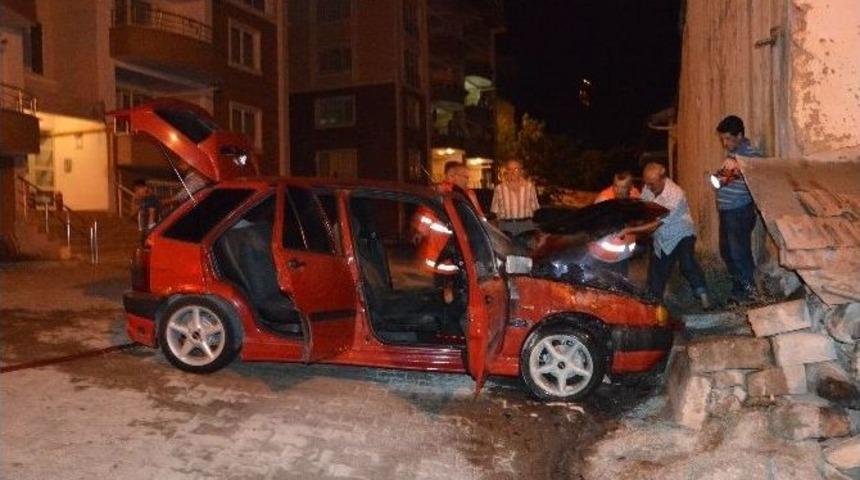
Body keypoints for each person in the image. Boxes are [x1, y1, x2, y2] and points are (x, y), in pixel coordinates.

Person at [634, 162, 711, 309]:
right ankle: (653, 308)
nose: (649, 187)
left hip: (682, 234)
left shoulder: (676, 194)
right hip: (662, 238)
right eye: (647, 184)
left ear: (663, 178)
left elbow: (654, 224)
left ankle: (703, 296)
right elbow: (642, 207)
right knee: (656, 276)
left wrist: (630, 231)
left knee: (687, 264)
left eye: (652, 184)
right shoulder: (648, 187)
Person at [715, 115, 761, 303]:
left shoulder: (750, 154)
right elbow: (718, 181)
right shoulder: (732, 156)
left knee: (739, 252)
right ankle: (739, 289)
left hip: (740, 211)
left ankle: (750, 292)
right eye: (722, 139)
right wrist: (722, 175)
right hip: (727, 211)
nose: (725, 143)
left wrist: (736, 169)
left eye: (728, 139)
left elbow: (756, 179)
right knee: (726, 251)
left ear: (740, 135)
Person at [590, 171, 642, 275]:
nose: (618, 190)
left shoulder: (635, 194)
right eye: (616, 186)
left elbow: (639, 217)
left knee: (620, 286)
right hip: (602, 257)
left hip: (623, 255)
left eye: (623, 187)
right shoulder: (603, 201)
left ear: (630, 187)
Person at [490, 159, 540, 237]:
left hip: (526, 228)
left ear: (521, 171)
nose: (512, 172)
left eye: (516, 169)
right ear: (506, 171)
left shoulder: (530, 187)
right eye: (509, 169)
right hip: (506, 228)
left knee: (525, 249)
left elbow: (535, 209)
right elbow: (494, 211)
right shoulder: (499, 189)